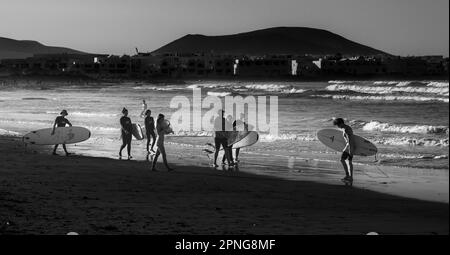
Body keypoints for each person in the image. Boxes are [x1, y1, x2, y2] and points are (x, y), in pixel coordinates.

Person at [333, 118, 355, 183]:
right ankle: (348, 176)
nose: (338, 126)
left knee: (349, 162)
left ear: (341, 123)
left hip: (350, 147)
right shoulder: (345, 128)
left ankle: (350, 177)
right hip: (348, 146)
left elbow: (350, 141)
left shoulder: (346, 129)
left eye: (338, 125)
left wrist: (351, 151)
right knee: (343, 160)